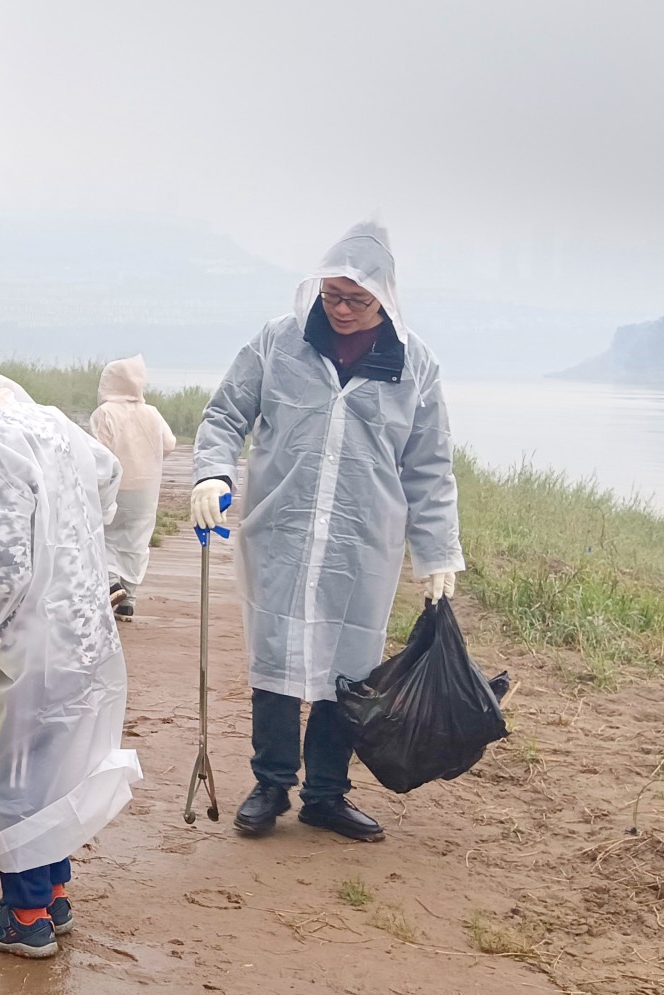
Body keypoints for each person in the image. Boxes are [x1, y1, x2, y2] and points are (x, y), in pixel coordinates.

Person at [190, 219, 463, 844]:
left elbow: (428, 464)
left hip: (361, 542)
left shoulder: (414, 364)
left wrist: (437, 549)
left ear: (384, 299)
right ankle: (271, 783)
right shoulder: (279, 343)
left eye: (356, 300)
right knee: (278, 659)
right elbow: (226, 413)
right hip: (281, 532)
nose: (340, 309)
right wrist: (212, 475)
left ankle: (326, 794)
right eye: (331, 295)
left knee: (350, 671)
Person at [0, 340, 143, 960]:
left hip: (35, 633)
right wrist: (78, 537)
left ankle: (24, 918)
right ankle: (52, 894)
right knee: (59, 760)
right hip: (83, 624)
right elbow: (109, 475)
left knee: (17, 770)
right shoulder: (51, 422)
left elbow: (0, 558)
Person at [90, 355, 178, 619]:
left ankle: (110, 583)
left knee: (104, 536)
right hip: (145, 490)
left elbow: (98, 453)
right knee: (137, 541)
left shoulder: (104, 413)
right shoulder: (152, 413)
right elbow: (169, 443)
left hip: (114, 487)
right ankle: (129, 598)